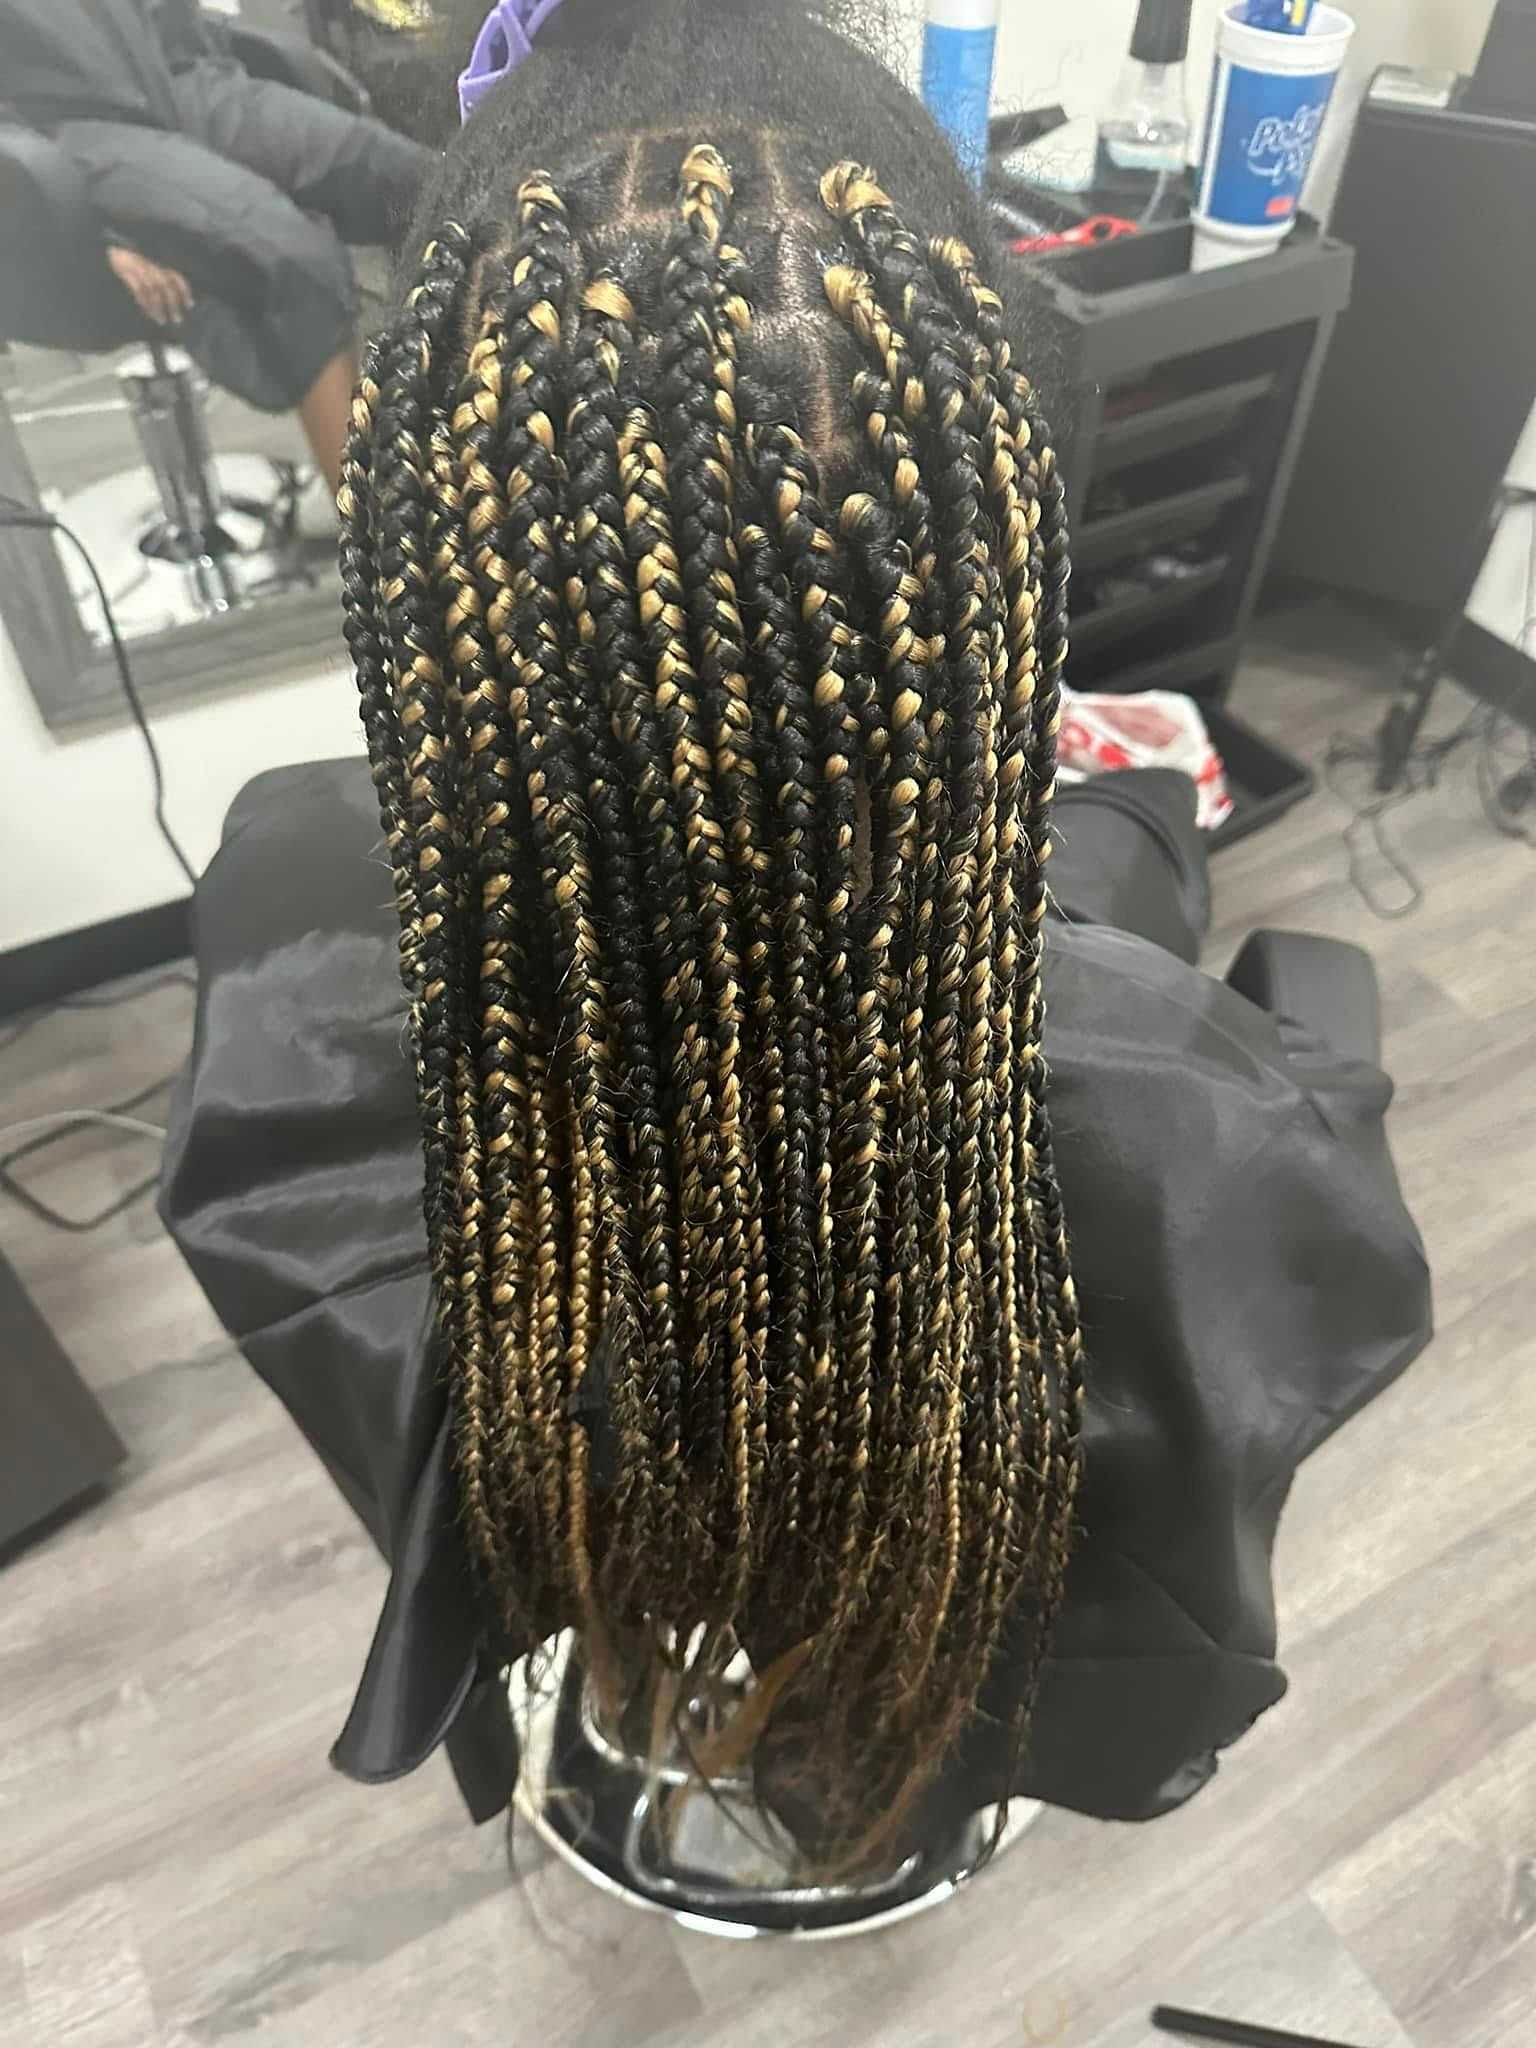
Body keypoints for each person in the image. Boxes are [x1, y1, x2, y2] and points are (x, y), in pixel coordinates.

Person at [162, 0, 1431, 1879]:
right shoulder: (1187, 1116)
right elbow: (1272, 1154)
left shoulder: (287, 923)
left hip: (607, 1589)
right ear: (979, 546)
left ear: (442, 543)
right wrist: (1137, 840)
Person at [0, 0, 433, 497]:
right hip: (63, 126)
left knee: (417, 180)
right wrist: (93, 235)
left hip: (177, 74)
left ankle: (486, 444)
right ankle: (375, 536)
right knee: (296, 261)